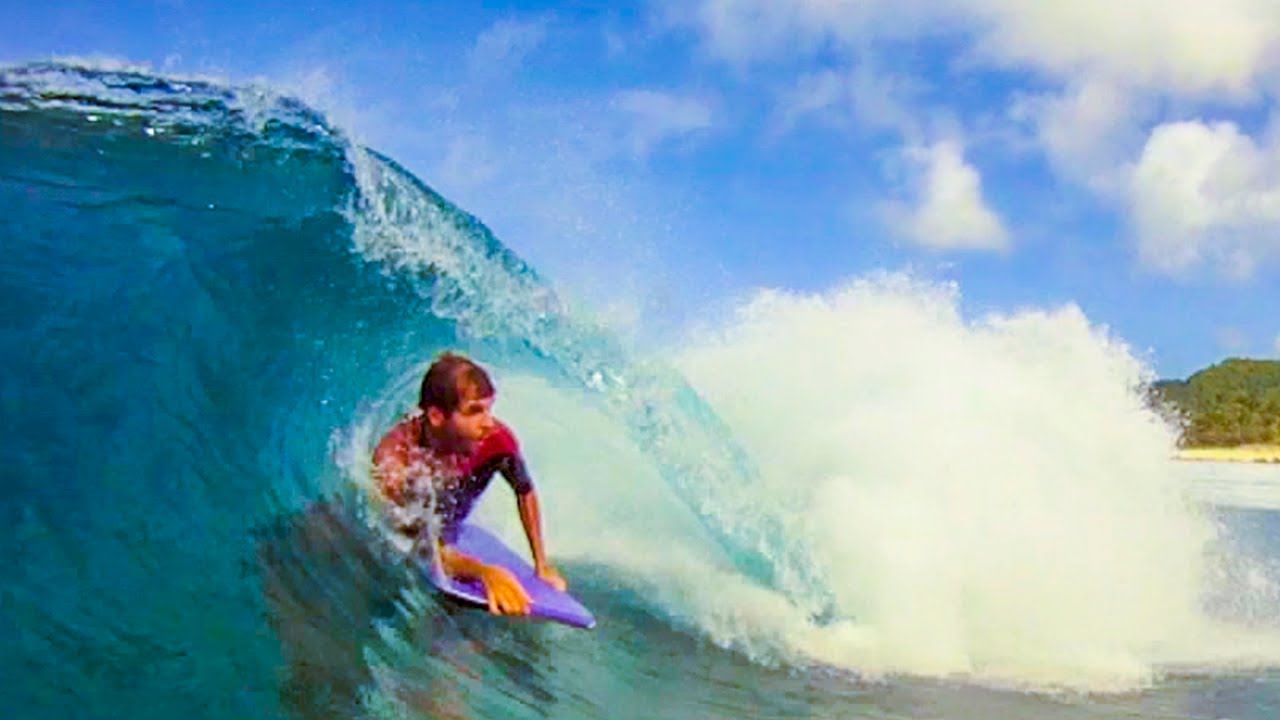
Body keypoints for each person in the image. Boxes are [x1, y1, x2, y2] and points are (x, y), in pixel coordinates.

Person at [372, 352, 566, 616]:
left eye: (489, 409)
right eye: (475, 411)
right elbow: (421, 548)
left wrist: (541, 563)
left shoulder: (496, 440)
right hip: (409, 545)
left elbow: (525, 491)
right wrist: (483, 572)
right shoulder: (398, 461)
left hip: (450, 520)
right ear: (437, 416)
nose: (488, 423)